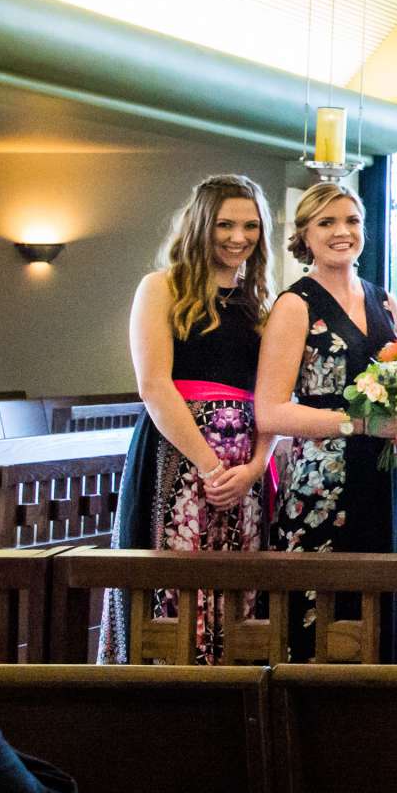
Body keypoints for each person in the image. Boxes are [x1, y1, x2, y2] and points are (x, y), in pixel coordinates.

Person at [104, 174, 279, 664]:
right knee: (174, 584)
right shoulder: (161, 287)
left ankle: (233, 695)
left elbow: (273, 395)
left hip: (246, 467)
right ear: (201, 224)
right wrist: (208, 466)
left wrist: (254, 467)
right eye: (225, 224)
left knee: (238, 587)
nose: (238, 237)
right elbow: (154, 386)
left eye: (250, 226)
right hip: (177, 459)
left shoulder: (261, 302)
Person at [256, 182, 397, 660]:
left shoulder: (384, 300)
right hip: (321, 480)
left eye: (351, 220)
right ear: (305, 235)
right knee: (321, 605)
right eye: (327, 223)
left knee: (375, 598)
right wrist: (361, 425)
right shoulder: (295, 305)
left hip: (380, 473)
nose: (342, 232)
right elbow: (271, 410)